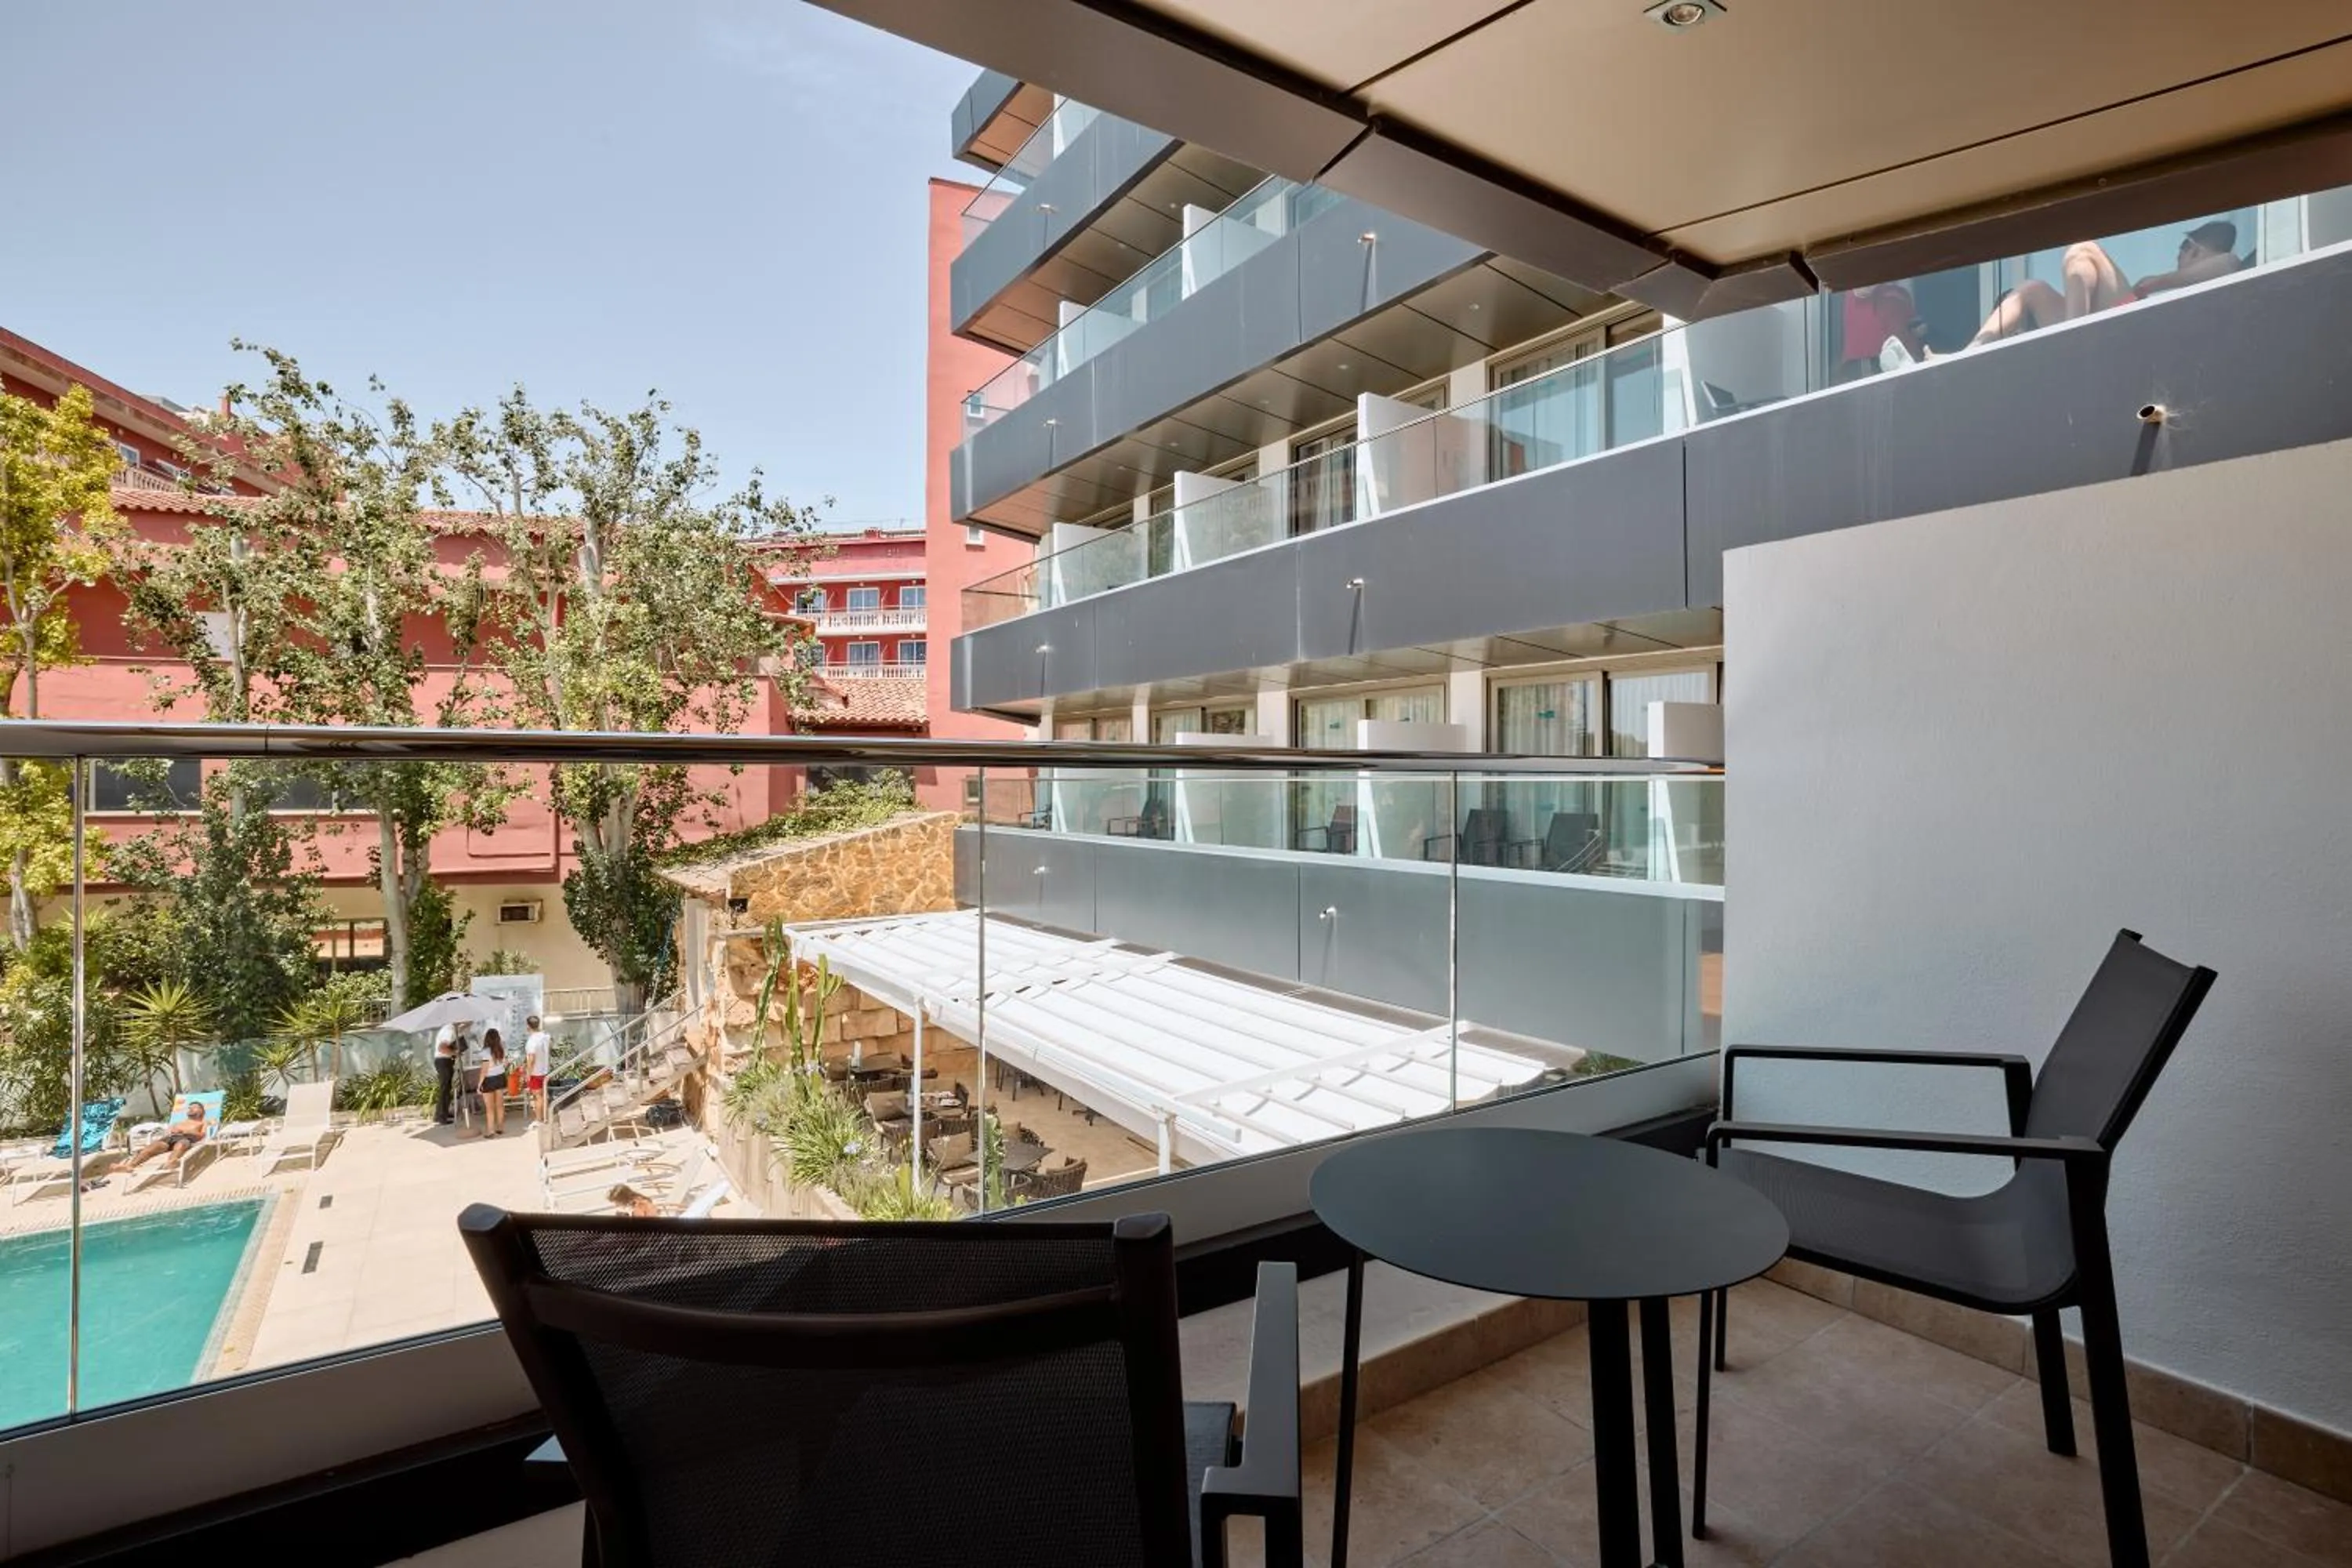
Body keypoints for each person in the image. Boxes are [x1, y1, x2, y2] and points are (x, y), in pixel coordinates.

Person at [1962, 221, 2245, 348]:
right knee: (2032, 289)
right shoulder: (2187, 284)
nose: (2178, 252)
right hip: (2130, 334)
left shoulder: (2224, 271)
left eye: (2185, 245)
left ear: (2197, 250)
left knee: (2082, 249)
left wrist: (2156, 283)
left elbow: (2229, 263)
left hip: (2147, 343)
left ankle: (2070, 338)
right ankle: (1972, 350)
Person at [121, 1100, 209, 1175]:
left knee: (181, 1145)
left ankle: (171, 1162)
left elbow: (202, 1135)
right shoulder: (180, 1122)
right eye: (189, 1108)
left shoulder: (203, 1123)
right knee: (151, 1148)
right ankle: (131, 1165)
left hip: (185, 1138)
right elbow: (169, 1131)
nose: (190, 1109)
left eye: (194, 1107)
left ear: (201, 1111)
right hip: (169, 1138)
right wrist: (171, 1130)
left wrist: (185, 1132)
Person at [477, 1029, 510, 1137]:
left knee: (489, 1107)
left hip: (489, 1080)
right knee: (500, 1105)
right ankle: (500, 1128)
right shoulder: (501, 1049)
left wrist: (479, 1085)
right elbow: (505, 1064)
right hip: (500, 1078)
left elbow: (484, 1070)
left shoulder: (485, 1052)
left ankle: (491, 1131)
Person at [524, 1014, 552, 1125]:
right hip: (545, 1070)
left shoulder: (531, 1041)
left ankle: (539, 1120)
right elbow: (549, 1048)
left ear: (528, 1026)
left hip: (536, 1072)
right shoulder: (546, 1036)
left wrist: (528, 1074)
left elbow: (531, 1059)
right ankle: (546, 1118)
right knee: (544, 1096)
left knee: (537, 1097)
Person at [432, 1023, 459, 1126]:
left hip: (443, 1061)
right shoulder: (449, 1031)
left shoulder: (449, 1028)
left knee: (445, 1089)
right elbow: (442, 1048)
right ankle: (442, 1117)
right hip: (443, 1061)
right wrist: (455, 1053)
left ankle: (439, 1115)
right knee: (445, 1090)